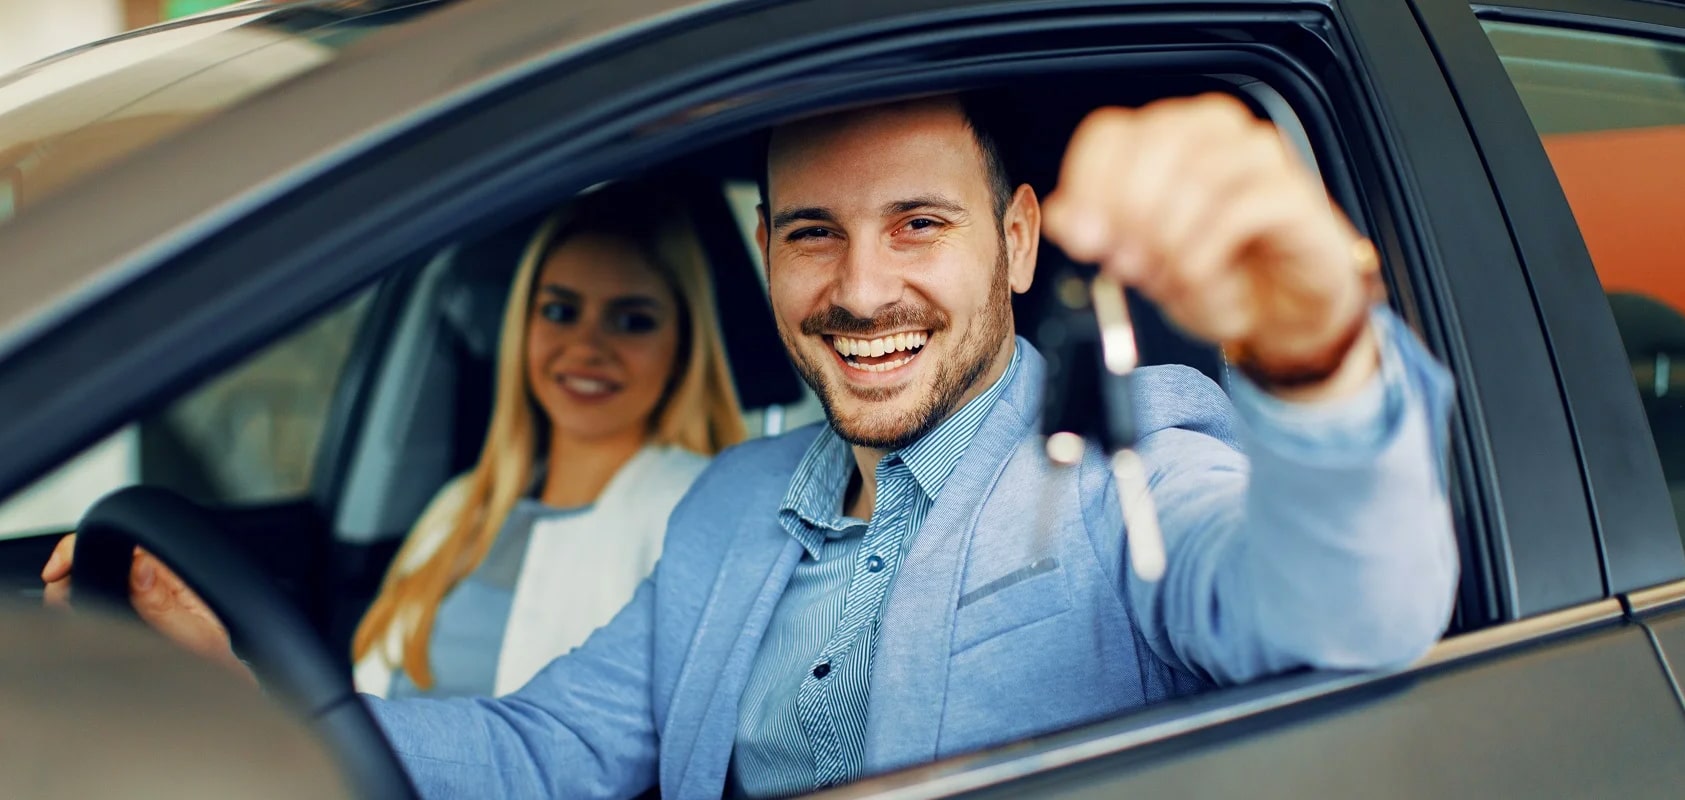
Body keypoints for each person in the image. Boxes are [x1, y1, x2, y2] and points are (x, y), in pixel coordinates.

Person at [55, 93, 1460, 799]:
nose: (859, 289)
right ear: (768, 252)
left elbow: (1350, 608)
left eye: (919, 225)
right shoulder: (728, 507)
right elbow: (546, 750)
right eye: (811, 235)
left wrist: (1315, 359)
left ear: (1019, 239)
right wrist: (242, 699)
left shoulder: (1134, 455)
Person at [41, 179, 748, 699]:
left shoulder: (693, 510)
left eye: (631, 320)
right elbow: (363, 717)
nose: (586, 347)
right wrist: (210, 660)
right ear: (521, 327)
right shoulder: (460, 506)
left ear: (685, 345)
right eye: (560, 311)